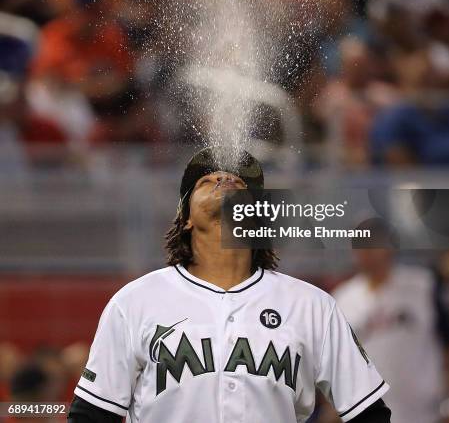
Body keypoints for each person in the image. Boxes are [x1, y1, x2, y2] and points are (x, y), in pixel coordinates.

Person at [68, 146, 391, 423]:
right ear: (187, 219)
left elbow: (369, 413)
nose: (223, 179)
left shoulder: (311, 305)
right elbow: (91, 415)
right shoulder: (135, 302)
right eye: (207, 181)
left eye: (237, 182)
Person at [333, 229, 444, 423]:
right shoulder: (342, 298)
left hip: (425, 408)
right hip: (369, 409)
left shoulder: (424, 285)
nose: (368, 252)